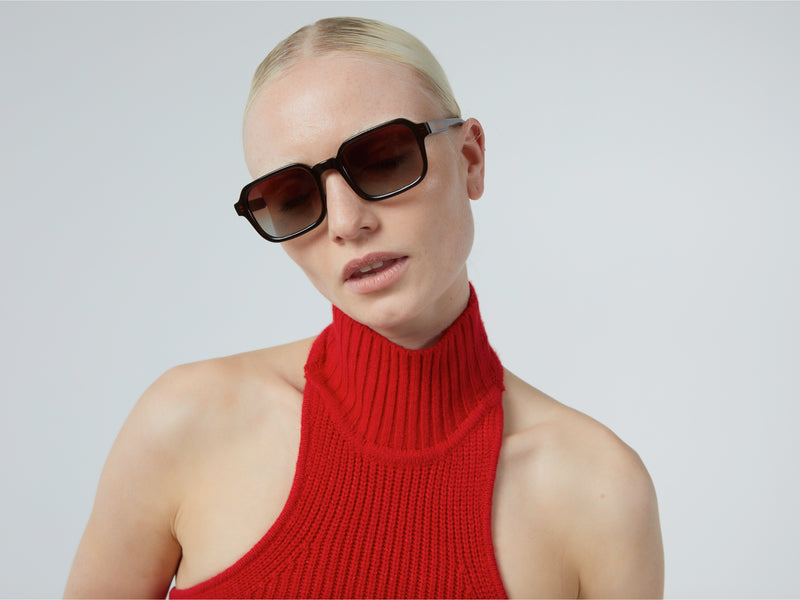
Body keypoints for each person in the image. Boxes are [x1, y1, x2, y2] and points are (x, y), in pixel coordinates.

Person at [65, 16, 663, 599]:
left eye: (383, 159)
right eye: (292, 197)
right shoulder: (186, 422)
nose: (347, 223)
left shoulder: (599, 490)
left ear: (470, 159)